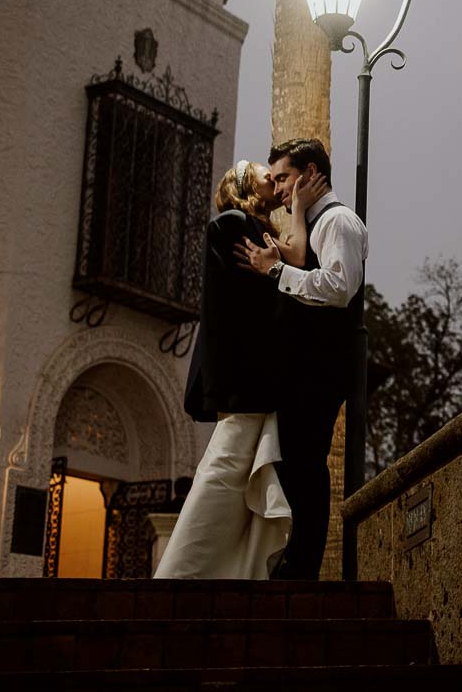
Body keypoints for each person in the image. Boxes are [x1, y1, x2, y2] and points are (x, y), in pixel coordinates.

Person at [157, 159, 318, 578]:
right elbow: (293, 263)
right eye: (268, 174)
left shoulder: (258, 230)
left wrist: (294, 214)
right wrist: (297, 213)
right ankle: (180, 573)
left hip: (257, 378)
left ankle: (218, 569)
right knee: (227, 468)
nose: (274, 178)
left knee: (237, 469)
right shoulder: (232, 223)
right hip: (244, 377)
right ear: (245, 183)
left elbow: (292, 260)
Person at [236, 137, 368, 580]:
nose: (278, 188)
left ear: (311, 173)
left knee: (306, 464)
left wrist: (275, 271)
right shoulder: (307, 224)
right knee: (294, 461)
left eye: (284, 178)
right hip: (302, 367)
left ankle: (304, 566)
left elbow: (337, 287)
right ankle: (297, 560)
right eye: (273, 180)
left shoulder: (339, 222)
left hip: (323, 368)